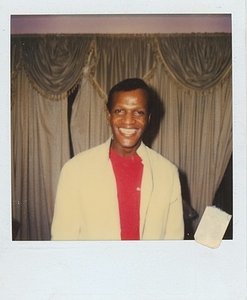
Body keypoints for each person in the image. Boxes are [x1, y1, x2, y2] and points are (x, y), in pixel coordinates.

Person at [51, 78, 184, 240]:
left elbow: (174, 242)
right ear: (109, 115)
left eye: (138, 112)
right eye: (120, 111)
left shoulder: (167, 173)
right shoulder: (75, 170)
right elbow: (62, 241)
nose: (128, 121)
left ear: (148, 118)